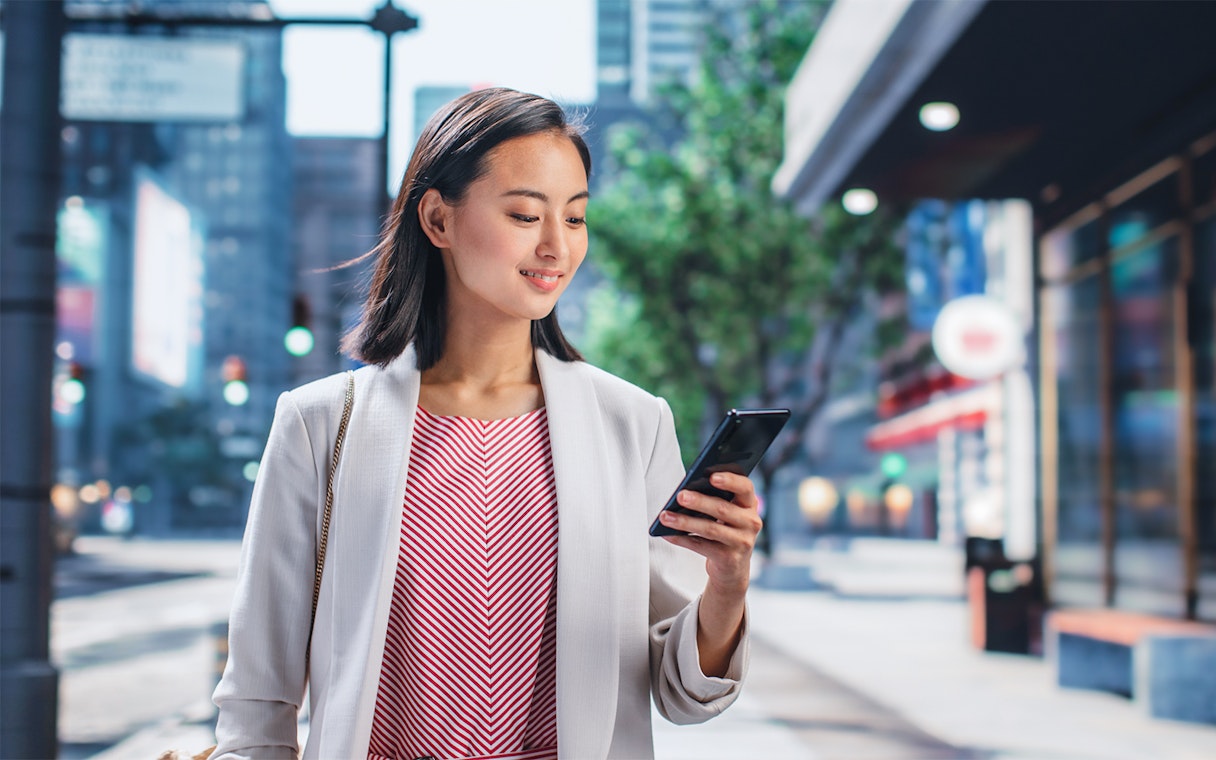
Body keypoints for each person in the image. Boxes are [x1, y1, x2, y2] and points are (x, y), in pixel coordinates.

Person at [212, 87, 761, 760]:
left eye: (577, 217)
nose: (557, 246)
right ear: (438, 220)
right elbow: (257, 702)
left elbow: (683, 693)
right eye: (527, 214)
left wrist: (726, 585)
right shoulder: (319, 425)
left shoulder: (633, 424)